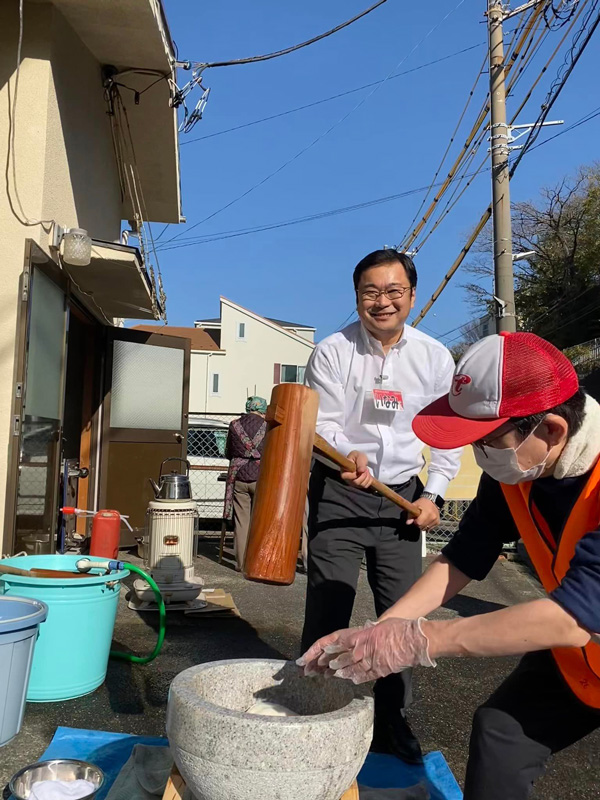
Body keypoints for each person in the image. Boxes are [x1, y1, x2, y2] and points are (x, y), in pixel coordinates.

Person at [299, 331, 600, 799]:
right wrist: (384, 627)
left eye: (488, 441)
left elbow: (575, 617)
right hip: (589, 657)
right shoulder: (519, 469)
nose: (480, 457)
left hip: (582, 631)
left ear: (553, 429)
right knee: (503, 735)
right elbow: (464, 555)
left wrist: (421, 640)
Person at [302, 249, 462, 763]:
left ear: (412, 295)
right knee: (329, 605)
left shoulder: (435, 357)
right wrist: (341, 451)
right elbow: (320, 424)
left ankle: (392, 719)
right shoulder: (331, 351)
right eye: (371, 292)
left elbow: (449, 433)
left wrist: (434, 494)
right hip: (340, 491)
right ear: (357, 298)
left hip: (402, 500)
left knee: (399, 617)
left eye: (394, 291)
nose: (382, 302)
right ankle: (316, 708)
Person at [224, 396, 267, 570]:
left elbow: (228, 451)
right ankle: (259, 562)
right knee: (260, 520)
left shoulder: (234, 425)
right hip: (261, 477)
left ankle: (242, 563)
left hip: (239, 476)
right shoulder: (267, 426)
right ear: (263, 410)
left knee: (242, 521)